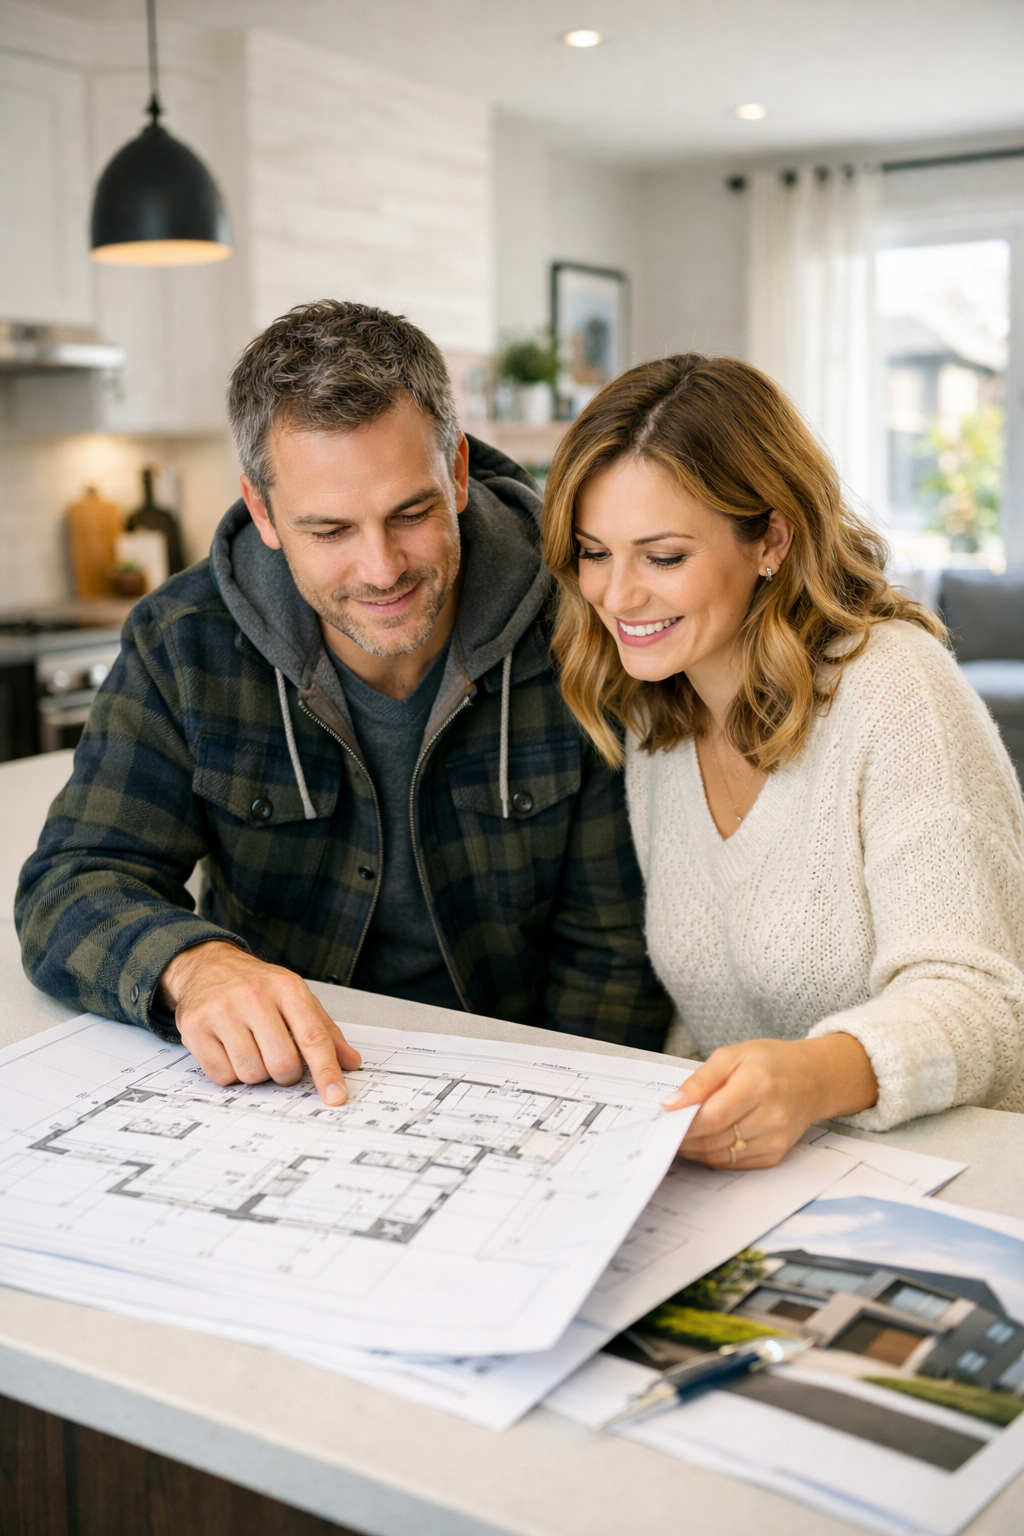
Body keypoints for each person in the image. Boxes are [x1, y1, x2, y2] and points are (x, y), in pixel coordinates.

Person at [17, 302, 669, 1106]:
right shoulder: (183, 641)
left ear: (458, 471)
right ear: (263, 512)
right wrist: (194, 966)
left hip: (520, 1088)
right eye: (329, 531)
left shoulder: (581, 618)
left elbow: (611, 952)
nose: (381, 568)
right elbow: (71, 882)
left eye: (412, 513)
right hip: (281, 1093)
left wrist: (571, 1114)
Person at [543, 352, 1024, 1167]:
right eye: (595, 552)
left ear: (770, 538)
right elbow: (714, 1007)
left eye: (662, 558)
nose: (618, 597)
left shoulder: (897, 690)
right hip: (778, 1179)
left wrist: (808, 1077)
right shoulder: (658, 710)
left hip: (959, 1178)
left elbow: (984, 1005)